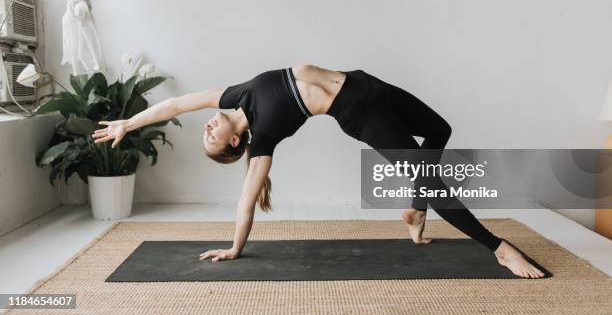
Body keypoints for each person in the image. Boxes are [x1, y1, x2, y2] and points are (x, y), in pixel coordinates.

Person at [92, 64, 544, 278]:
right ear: (234, 142)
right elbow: (246, 198)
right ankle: (498, 248)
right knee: (432, 177)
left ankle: (414, 209)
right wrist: (234, 247)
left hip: (368, 84)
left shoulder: (235, 94)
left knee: (440, 130)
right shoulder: (263, 140)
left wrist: (129, 123)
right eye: (210, 136)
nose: (207, 125)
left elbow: (175, 103)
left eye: (206, 129)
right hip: (360, 113)